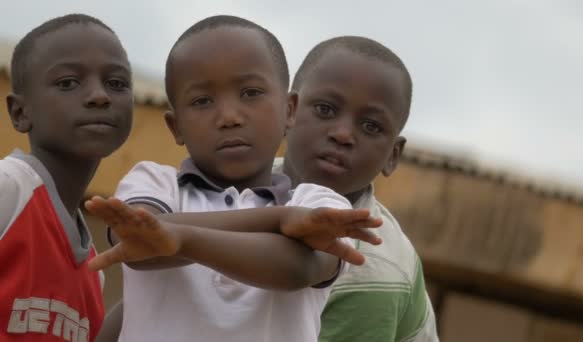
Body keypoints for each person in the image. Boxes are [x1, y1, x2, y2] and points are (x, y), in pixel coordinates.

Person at [87, 15, 383, 342]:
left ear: (290, 110)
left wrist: (181, 238)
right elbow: (141, 243)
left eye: (251, 92)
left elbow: (296, 270)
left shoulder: (318, 203)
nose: (228, 117)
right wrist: (280, 219)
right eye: (202, 101)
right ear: (176, 127)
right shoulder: (153, 182)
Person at [278, 36, 439, 341]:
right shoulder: (235, 184)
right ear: (288, 111)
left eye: (371, 127)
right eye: (325, 110)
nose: (342, 134)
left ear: (392, 155)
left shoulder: (374, 269)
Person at [0, 14, 133, 341]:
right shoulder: (9, 189)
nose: (99, 96)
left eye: (116, 83)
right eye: (68, 83)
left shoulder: (93, 271)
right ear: (20, 113)